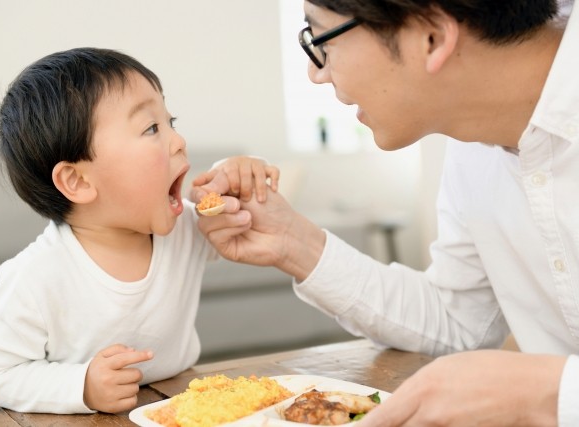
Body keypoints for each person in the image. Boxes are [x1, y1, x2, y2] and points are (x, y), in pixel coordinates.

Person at [191, 0, 579, 425]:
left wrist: (547, 391)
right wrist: (295, 245)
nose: (315, 72)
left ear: (430, 36)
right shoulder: (472, 145)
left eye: (321, 39)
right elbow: (458, 321)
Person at [0, 47, 279, 415]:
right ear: (78, 181)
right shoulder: (35, 277)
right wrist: (80, 386)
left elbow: (241, 222)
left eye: (171, 121)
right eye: (151, 128)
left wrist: (243, 175)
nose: (179, 140)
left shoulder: (185, 228)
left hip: (184, 405)